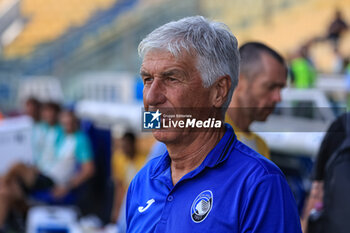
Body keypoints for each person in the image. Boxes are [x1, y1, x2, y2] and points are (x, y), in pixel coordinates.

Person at [125, 16, 301, 233]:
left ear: (219, 91)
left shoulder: (260, 183)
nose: (151, 97)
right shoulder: (142, 182)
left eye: (172, 79)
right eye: (147, 80)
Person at [0, 109, 94, 230]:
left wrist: (67, 186)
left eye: (69, 121)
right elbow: (50, 160)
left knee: (16, 166)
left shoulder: (81, 140)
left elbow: (89, 170)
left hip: (53, 182)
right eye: (64, 121)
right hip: (43, 175)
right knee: (4, 192)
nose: (66, 124)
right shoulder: (61, 137)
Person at [226, 42, 287, 159]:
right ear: (238, 80)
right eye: (270, 86)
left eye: (281, 89)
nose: (278, 98)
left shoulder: (261, 147)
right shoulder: (205, 136)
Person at [111, 132, 147, 222]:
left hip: (141, 199)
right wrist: (116, 210)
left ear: (133, 144)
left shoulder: (145, 159)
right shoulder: (118, 158)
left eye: (127, 146)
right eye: (122, 146)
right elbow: (119, 185)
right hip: (126, 200)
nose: (124, 149)